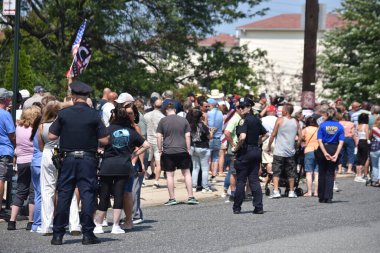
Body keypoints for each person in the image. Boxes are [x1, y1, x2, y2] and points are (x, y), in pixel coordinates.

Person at [48, 81, 109, 245]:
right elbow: (104, 139)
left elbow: (52, 136)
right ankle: (88, 234)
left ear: (73, 96)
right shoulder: (95, 115)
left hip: (67, 159)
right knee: (87, 194)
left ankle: (58, 235)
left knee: (64, 195)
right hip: (88, 160)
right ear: (87, 96)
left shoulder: (64, 113)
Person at [94, 105, 149, 234]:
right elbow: (146, 145)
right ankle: (116, 226)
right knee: (119, 195)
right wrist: (133, 154)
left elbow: (99, 145)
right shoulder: (131, 131)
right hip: (123, 165)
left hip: (107, 165)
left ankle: (98, 225)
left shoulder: (107, 130)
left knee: (104, 195)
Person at [39, 101, 81, 235]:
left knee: (47, 190)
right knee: (69, 188)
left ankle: (47, 225)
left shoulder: (42, 126)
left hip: (47, 154)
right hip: (63, 153)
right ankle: (74, 224)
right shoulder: (65, 125)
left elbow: (41, 146)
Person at [156, 103, 198, 205]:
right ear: (174, 110)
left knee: (170, 175)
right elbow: (187, 136)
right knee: (187, 173)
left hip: (168, 150)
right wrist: (188, 149)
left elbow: (158, 136)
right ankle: (191, 196)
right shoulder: (183, 120)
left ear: (166, 110)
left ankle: (172, 198)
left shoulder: (163, 121)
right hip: (182, 149)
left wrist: (159, 148)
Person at [233, 97, 268, 214]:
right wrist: (257, 143)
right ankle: (259, 207)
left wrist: (236, 148)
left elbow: (242, 137)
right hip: (255, 151)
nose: (240, 109)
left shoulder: (244, 121)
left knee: (241, 180)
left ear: (249, 108)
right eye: (239, 107)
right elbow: (266, 134)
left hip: (245, 151)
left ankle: (237, 207)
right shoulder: (257, 120)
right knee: (254, 180)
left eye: (243, 107)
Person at [7, 106, 40, 230]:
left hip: (21, 161)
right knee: (33, 191)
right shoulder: (35, 128)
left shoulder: (18, 127)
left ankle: (12, 221)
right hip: (33, 160)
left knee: (20, 190)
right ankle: (31, 221)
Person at [267, 103, 302, 199]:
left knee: (276, 171)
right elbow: (300, 137)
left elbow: (273, 134)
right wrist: (296, 146)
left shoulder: (280, 120)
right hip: (290, 151)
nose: (281, 111)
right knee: (291, 172)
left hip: (279, 151)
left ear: (285, 111)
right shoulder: (296, 122)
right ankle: (291, 191)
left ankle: (276, 191)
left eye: (282, 110)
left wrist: (269, 146)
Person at [315, 107, 344, 203]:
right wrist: (336, 154)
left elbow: (319, 141)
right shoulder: (339, 126)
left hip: (324, 148)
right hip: (334, 148)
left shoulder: (322, 125)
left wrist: (325, 153)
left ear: (326, 115)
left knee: (322, 172)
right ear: (335, 115)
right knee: (330, 173)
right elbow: (341, 142)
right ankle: (328, 196)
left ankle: (321, 196)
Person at [187, 109, 212, 193]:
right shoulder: (203, 126)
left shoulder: (190, 126)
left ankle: (194, 186)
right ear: (201, 117)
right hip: (203, 147)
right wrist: (212, 132)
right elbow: (209, 137)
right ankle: (205, 187)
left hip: (193, 147)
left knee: (195, 168)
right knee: (205, 169)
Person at [0, 88, 16, 215]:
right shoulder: (5, 114)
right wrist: (17, 146)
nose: (10, 100)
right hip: (4, 150)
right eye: (9, 98)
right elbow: (12, 134)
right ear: (5, 99)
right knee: (1, 179)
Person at [144, 99, 165, 188]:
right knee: (158, 161)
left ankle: (144, 179)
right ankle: (156, 181)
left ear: (153, 105)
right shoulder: (163, 117)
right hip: (158, 140)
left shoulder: (146, 115)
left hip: (148, 139)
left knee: (146, 160)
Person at [207, 98, 223, 183]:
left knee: (208, 157)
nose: (207, 106)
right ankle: (214, 176)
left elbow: (210, 126)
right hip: (218, 138)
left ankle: (207, 175)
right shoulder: (220, 113)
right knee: (216, 157)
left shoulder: (209, 113)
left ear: (211, 105)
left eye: (208, 105)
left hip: (210, 137)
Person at [302, 117, 319, 197]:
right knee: (317, 173)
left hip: (308, 150)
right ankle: (316, 192)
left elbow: (300, 139)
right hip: (318, 151)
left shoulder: (306, 130)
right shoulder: (318, 129)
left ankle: (309, 192)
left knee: (309, 172)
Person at [354, 113, 370, 183]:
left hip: (359, 141)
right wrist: (368, 140)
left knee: (359, 158)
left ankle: (357, 175)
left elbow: (356, 134)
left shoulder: (358, 125)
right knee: (364, 158)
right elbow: (367, 134)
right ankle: (360, 175)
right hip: (364, 141)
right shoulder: (366, 125)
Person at [369, 117, 380, 186]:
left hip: (374, 148)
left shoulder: (373, 129)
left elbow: (369, 138)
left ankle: (376, 180)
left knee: (375, 165)